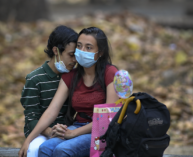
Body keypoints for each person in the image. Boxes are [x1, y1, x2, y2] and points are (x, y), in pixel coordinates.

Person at [18, 27, 119, 157]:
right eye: (79, 46)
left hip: (101, 131)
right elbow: (52, 110)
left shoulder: (110, 73)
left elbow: (108, 118)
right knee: (45, 148)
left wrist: (74, 133)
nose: (82, 51)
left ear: (100, 52)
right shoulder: (71, 75)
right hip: (77, 126)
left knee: (63, 150)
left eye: (88, 47)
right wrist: (29, 139)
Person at [20, 25, 78, 157]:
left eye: (76, 56)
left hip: (68, 131)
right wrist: (50, 131)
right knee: (34, 150)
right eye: (71, 55)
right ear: (56, 50)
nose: (75, 60)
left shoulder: (74, 77)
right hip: (40, 133)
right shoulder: (34, 79)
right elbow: (31, 118)